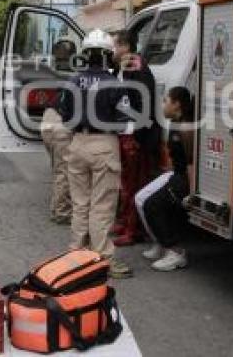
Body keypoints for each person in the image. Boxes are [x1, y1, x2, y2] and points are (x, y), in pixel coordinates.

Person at [57, 29, 133, 279]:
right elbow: (123, 121)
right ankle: (103, 260)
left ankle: (75, 256)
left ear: (84, 54)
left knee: (80, 203)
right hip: (104, 145)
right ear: (108, 55)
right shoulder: (115, 83)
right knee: (102, 206)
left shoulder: (72, 81)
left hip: (78, 143)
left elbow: (65, 117)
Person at [136, 87, 195, 271]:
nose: (162, 105)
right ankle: (160, 243)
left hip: (184, 178)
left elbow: (192, 163)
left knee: (152, 204)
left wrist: (191, 194)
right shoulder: (174, 123)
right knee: (139, 199)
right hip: (175, 173)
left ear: (176, 104)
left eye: (165, 101)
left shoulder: (185, 129)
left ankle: (175, 252)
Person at [111, 29, 159, 247]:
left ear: (126, 46)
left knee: (134, 184)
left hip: (136, 135)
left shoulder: (136, 66)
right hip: (126, 132)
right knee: (126, 183)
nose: (113, 50)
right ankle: (125, 222)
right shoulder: (124, 67)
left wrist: (138, 135)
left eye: (116, 46)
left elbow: (143, 103)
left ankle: (134, 230)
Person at [41, 39, 76, 225]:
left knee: (58, 170)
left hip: (48, 119)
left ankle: (56, 208)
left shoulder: (61, 72)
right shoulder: (80, 76)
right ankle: (61, 213)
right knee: (64, 171)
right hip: (59, 124)